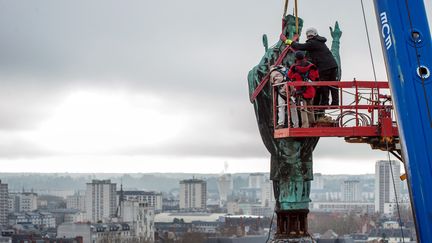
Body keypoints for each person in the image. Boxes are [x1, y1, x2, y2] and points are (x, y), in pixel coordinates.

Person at [281, 27, 339, 110]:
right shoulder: (320, 42)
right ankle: (335, 103)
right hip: (333, 65)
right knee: (333, 84)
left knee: (324, 85)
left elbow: (299, 46)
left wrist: (286, 41)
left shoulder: (312, 43)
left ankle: (325, 103)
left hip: (324, 67)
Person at [287, 51, 318, 128]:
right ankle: (312, 124)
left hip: (300, 91)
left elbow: (289, 76)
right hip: (310, 91)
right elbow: (316, 77)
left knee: (303, 109)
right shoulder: (312, 66)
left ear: (296, 58)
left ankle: (305, 125)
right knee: (310, 107)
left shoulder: (294, 67)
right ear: (304, 57)